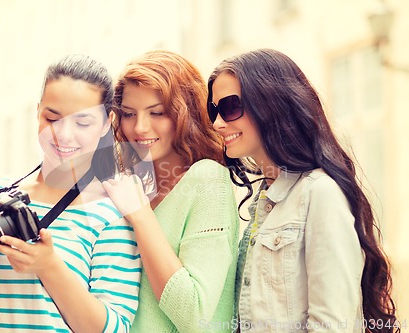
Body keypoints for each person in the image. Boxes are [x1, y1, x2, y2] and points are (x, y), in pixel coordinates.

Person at [0, 54, 141, 332]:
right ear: (37, 112)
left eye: (82, 123)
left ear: (107, 123)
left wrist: (49, 267)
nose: (64, 135)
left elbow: (114, 328)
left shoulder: (112, 213)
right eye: (52, 117)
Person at [206, 48, 399, 333]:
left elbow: (333, 326)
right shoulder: (263, 201)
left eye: (230, 107)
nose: (218, 123)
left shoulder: (320, 194)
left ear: (271, 104)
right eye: (214, 110)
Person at [102, 50, 240, 333]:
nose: (140, 128)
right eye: (128, 114)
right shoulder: (131, 187)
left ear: (185, 113)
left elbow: (196, 313)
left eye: (157, 113)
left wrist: (141, 217)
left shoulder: (208, 180)